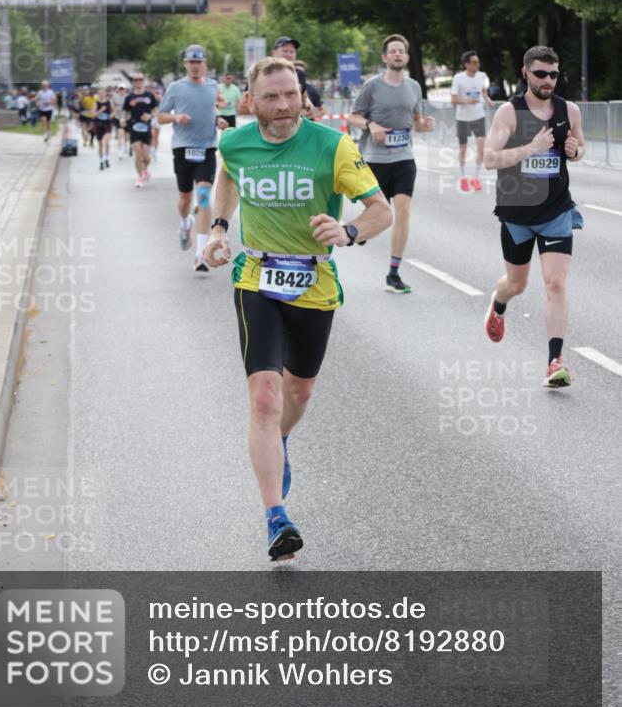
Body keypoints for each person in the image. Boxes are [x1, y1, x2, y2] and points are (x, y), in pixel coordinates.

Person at [202, 57, 392, 561]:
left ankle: (279, 440)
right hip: (256, 280)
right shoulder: (234, 143)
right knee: (264, 399)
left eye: (292, 95)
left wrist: (349, 231)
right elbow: (226, 178)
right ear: (251, 102)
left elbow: (381, 211)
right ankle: (276, 517)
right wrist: (219, 228)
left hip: (315, 284)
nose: (285, 106)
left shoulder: (333, 146)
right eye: (272, 97)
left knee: (297, 392)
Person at [483, 45, 586, 388]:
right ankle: (498, 305)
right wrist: (530, 149)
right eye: (541, 73)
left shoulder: (568, 110)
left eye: (553, 74)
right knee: (516, 284)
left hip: (556, 210)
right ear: (525, 73)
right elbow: (490, 159)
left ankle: (554, 361)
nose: (548, 80)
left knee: (555, 283)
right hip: (516, 214)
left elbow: (580, 146)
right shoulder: (509, 113)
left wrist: (575, 151)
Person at [348, 33, 435, 294]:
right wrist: (371, 124)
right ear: (385, 57)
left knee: (403, 211)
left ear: (407, 57)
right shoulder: (372, 86)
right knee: (377, 213)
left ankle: (393, 273)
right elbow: (352, 116)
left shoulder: (414, 87)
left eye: (402, 51)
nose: (398, 54)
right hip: (375, 160)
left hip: (404, 158)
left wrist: (424, 125)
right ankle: (361, 230)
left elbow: (417, 119)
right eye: (393, 51)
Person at [158, 45, 227, 272]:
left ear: (205, 64)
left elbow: (212, 109)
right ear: (186, 64)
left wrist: (218, 120)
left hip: (207, 148)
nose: (195, 66)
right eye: (191, 62)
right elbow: (160, 117)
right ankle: (185, 222)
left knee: (205, 197)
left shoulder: (212, 86)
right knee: (185, 200)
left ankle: (200, 254)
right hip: (182, 148)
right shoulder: (176, 87)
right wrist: (176, 116)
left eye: (199, 62)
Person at [450, 50, 495, 192]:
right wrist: (467, 100)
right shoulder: (458, 78)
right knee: (463, 150)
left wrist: (488, 101)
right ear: (466, 64)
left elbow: (483, 92)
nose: (477, 65)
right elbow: (453, 100)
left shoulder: (482, 76)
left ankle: (476, 178)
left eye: (478, 62)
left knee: (482, 149)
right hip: (462, 119)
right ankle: (463, 178)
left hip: (478, 117)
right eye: (474, 62)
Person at [122, 74, 158, 188]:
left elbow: (157, 111)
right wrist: (122, 120)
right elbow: (124, 113)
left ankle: (145, 170)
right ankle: (140, 178)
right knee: (138, 154)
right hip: (134, 128)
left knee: (146, 158)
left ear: (143, 81)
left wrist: (150, 116)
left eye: (140, 80)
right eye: (135, 80)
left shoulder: (150, 96)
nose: (138, 82)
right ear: (132, 82)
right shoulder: (129, 97)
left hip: (146, 129)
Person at [93, 86, 113, 170]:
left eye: (103, 93)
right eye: (99, 94)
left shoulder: (109, 102)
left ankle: (107, 159)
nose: (101, 95)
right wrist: (101, 110)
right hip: (98, 125)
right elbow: (93, 115)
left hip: (107, 124)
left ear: (105, 94)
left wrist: (112, 115)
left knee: (106, 142)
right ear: (98, 95)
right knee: (100, 144)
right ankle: (101, 161)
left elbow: (115, 110)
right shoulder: (96, 103)